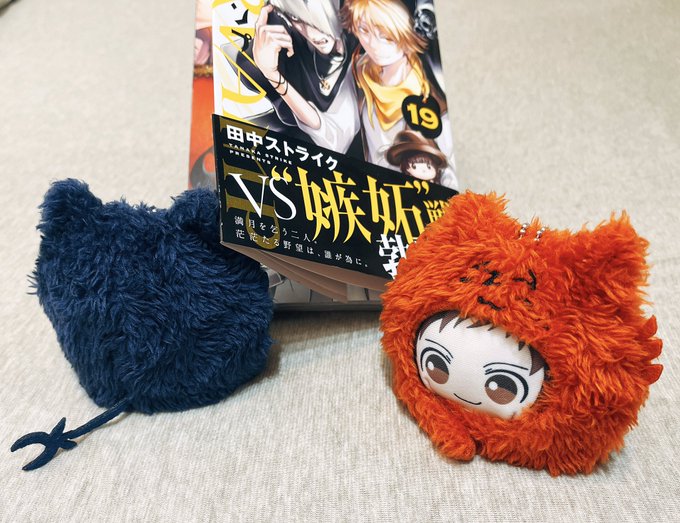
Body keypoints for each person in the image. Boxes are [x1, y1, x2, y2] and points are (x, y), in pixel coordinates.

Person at [341, 0, 458, 189]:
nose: (373, 45)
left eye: (386, 36)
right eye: (363, 30)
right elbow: (336, 131)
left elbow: (449, 168)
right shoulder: (358, 70)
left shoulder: (429, 82)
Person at [238, 0, 361, 155]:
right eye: (296, 18)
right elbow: (248, 71)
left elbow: (334, 139)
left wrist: (273, 75)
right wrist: (265, 64)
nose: (311, 34)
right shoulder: (291, 40)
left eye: (318, 15)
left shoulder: (363, 49)